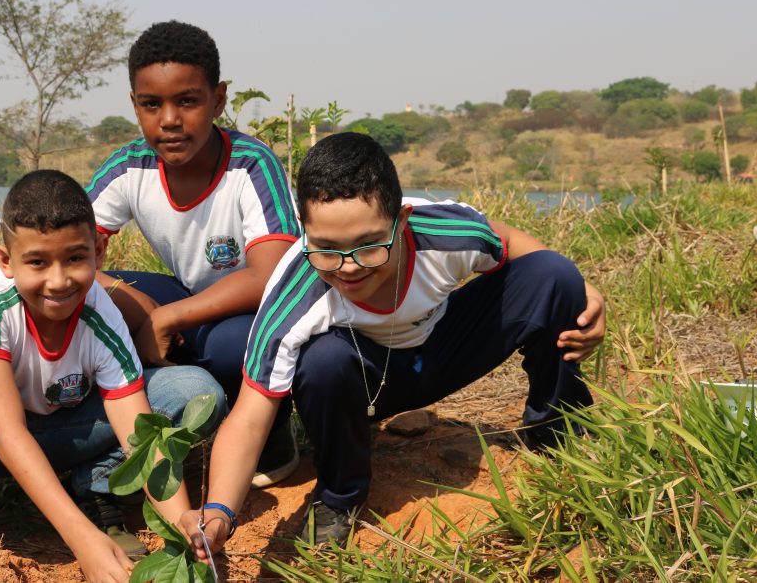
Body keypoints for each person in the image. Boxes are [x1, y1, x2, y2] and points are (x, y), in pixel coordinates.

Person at [179, 132, 606, 553]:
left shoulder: (443, 231)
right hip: (365, 382)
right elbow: (250, 418)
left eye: (369, 245)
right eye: (326, 248)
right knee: (322, 360)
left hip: (444, 350)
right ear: (305, 231)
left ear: (402, 221)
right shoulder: (297, 288)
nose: (348, 267)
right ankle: (340, 495)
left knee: (554, 273)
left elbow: (513, 245)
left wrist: (580, 292)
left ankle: (557, 432)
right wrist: (219, 513)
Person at [0, 170, 226, 582]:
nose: (58, 281)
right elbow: (8, 433)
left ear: (99, 250)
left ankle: (96, 484)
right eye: (37, 262)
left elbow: (139, 432)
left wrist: (182, 522)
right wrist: (85, 541)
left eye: (75, 258)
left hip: (69, 431)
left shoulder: (102, 316)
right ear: (5, 260)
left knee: (195, 391)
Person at [86, 21, 301, 487]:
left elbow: (272, 275)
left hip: (265, 309)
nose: (169, 119)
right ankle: (148, 416)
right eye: (151, 104)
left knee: (232, 347)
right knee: (83, 299)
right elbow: (64, 255)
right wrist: (136, 301)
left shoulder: (250, 164)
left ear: (218, 100)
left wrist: (164, 319)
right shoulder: (130, 166)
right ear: (135, 106)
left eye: (187, 101)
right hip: (194, 297)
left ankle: (271, 423)